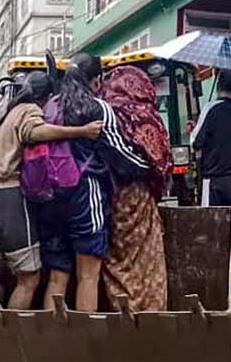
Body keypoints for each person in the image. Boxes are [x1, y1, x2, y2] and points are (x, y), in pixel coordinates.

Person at [39, 53, 151, 313]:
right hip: (84, 195)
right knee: (87, 276)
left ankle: (46, 341)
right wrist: (150, 167)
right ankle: (82, 343)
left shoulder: (51, 106)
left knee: (57, 275)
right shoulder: (97, 108)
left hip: (50, 197)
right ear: (97, 80)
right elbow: (121, 154)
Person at [0, 70, 102, 309]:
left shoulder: (10, 112)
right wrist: (81, 131)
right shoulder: (30, 110)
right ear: (48, 95)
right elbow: (34, 131)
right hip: (10, 200)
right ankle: (14, 334)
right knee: (29, 279)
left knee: (28, 276)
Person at [98, 65, 172, 312]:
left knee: (116, 258)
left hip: (107, 194)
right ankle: (149, 313)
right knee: (146, 259)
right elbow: (162, 162)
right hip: (139, 197)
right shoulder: (148, 116)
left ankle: (120, 311)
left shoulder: (104, 112)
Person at [187, 70, 231, 235]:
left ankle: (216, 261)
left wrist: (193, 130)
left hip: (215, 179)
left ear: (217, 85)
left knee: (212, 226)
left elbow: (195, 143)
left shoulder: (211, 108)